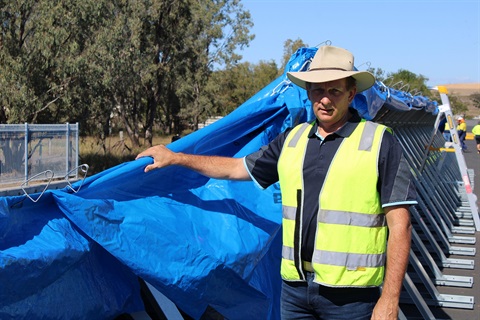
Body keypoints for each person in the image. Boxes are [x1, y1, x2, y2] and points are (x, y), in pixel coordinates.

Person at [136, 45, 416, 320]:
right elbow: (236, 168)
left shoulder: (380, 142)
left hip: (350, 297)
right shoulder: (292, 141)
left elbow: (400, 225)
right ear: (308, 93)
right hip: (295, 292)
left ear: (351, 94)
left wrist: (390, 299)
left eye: (335, 91)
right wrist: (176, 158)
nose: (325, 100)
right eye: (318, 90)